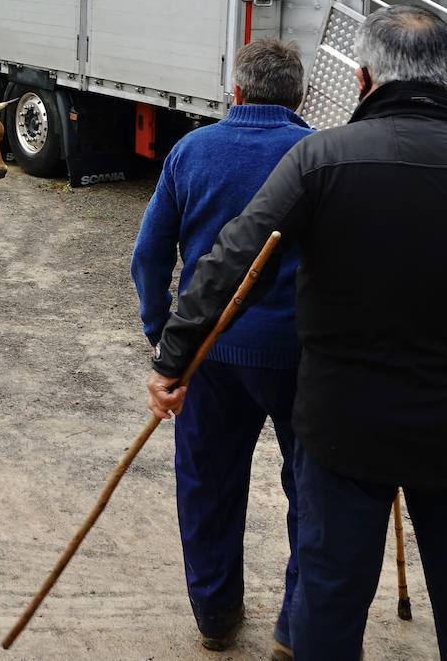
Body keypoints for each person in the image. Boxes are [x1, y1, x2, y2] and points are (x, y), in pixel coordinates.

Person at [148, 6, 447, 661]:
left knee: (330, 601)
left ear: (363, 79)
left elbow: (232, 260)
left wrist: (173, 357)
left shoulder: (320, 159)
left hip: (344, 423)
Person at [132, 38, 312, 657]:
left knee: (207, 485)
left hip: (208, 353)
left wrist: (163, 337)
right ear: (301, 95)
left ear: (235, 91)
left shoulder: (191, 151)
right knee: (312, 489)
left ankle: (215, 615)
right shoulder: (318, 155)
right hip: (304, 356)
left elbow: (150, 255)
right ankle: (297, 625)